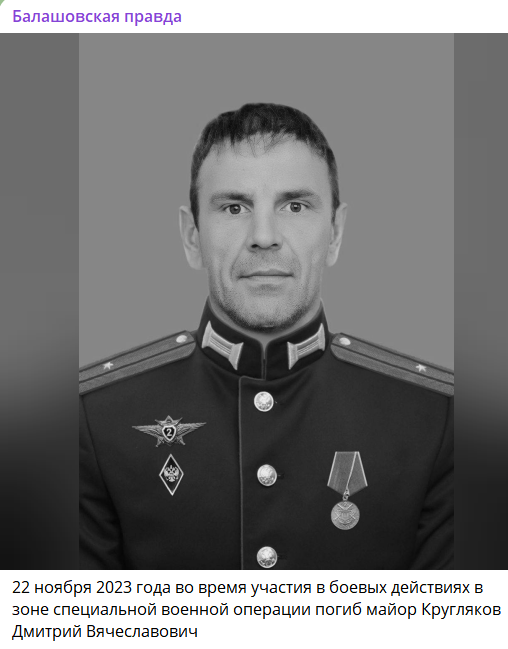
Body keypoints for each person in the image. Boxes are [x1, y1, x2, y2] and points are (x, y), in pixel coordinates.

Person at [79, 103, 453, 570]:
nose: (264, 236)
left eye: (295, 206)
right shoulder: (95, 419)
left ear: (335, 233)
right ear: (192, 236)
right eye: (234, 207)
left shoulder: (434, 420)